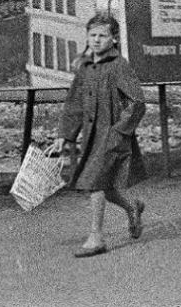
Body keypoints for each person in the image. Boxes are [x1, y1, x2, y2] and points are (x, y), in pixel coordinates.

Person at [50, 13, 148, 256]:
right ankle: (132, 206)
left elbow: (137, 102)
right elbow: (74, 104)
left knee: (94, 183)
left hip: (112, 137)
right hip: (91, 138)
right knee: (105, 185)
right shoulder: (85, 67)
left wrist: (119, 131)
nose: (96, 40)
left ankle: (96, 238)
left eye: (102, 35)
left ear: (114, 39)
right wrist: (64, 135)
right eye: (92, 35)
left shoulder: (119, 66)